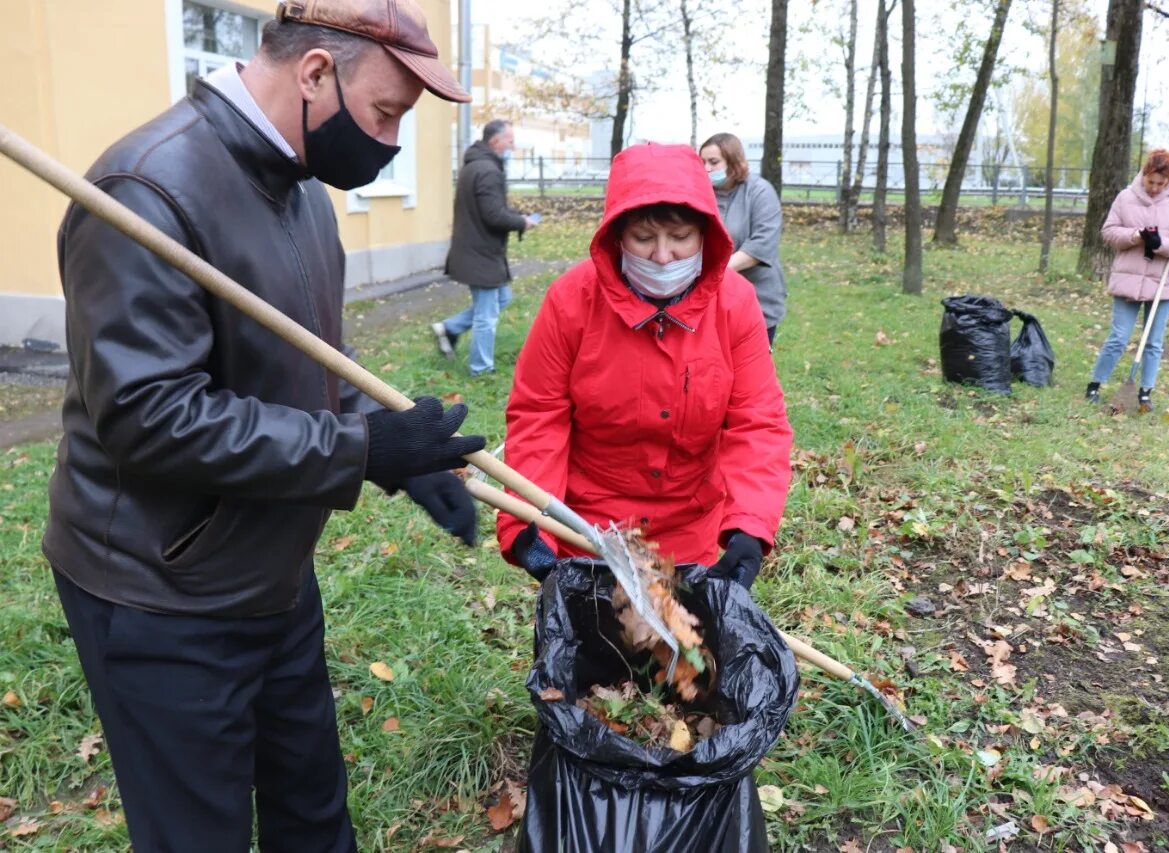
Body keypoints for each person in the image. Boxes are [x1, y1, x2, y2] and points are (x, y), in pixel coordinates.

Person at [42, 3, 486, 850]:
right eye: (385, 112)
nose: (389, 142)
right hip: (159, 587)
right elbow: (149, 418)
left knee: (312, 811)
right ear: (316, 72)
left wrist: (397, 448)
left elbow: (317, 364)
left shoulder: (302, 192)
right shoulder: (146, 189)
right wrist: (357, 451)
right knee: (196, 833)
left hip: (270, 567)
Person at [495, 142, 793, 589]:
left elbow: (758, 421)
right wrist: (528, 522)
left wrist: (749, 527)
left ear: (705, 235)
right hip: (588, 530)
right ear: (617, 235)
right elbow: (540, 417)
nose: (662, 255)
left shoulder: (735, 304)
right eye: (643, 238)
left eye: (680, 238)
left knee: (680, 654)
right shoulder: (571, 302)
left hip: (690, 530)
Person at [1087, 148, 1169, 412]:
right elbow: (1109, 232)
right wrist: (1135, 236)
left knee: (1154, 341)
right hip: (1129, 279)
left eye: (1161, 183)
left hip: (1163, 282)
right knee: (1118, 337)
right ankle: (1095, 384)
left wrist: (1163, 243)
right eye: (1151, 182)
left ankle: (1145, 392)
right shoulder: (1125, 198)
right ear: (1144, 175)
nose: (1156, 188)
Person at [434, 119, 537, 376]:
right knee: (487, 315)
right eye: (510, 141)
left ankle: (449, 328)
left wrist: (516, 215)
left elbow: (489, 210)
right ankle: (481, 369)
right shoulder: (488, 170)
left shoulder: (476, 165)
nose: (512, 146)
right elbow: (493, 216)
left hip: (477, 250)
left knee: (502, 298)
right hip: (480, 253)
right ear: (495, 141)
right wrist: (522, 222)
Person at [699, 132, 787, 346]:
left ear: (733, 161)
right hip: (709, 300)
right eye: (702, 162)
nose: (706, 168)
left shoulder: (759, 191)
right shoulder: (701, 193)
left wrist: (716, 273)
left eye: (713, 162)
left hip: (758, 297)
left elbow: (762, 243)